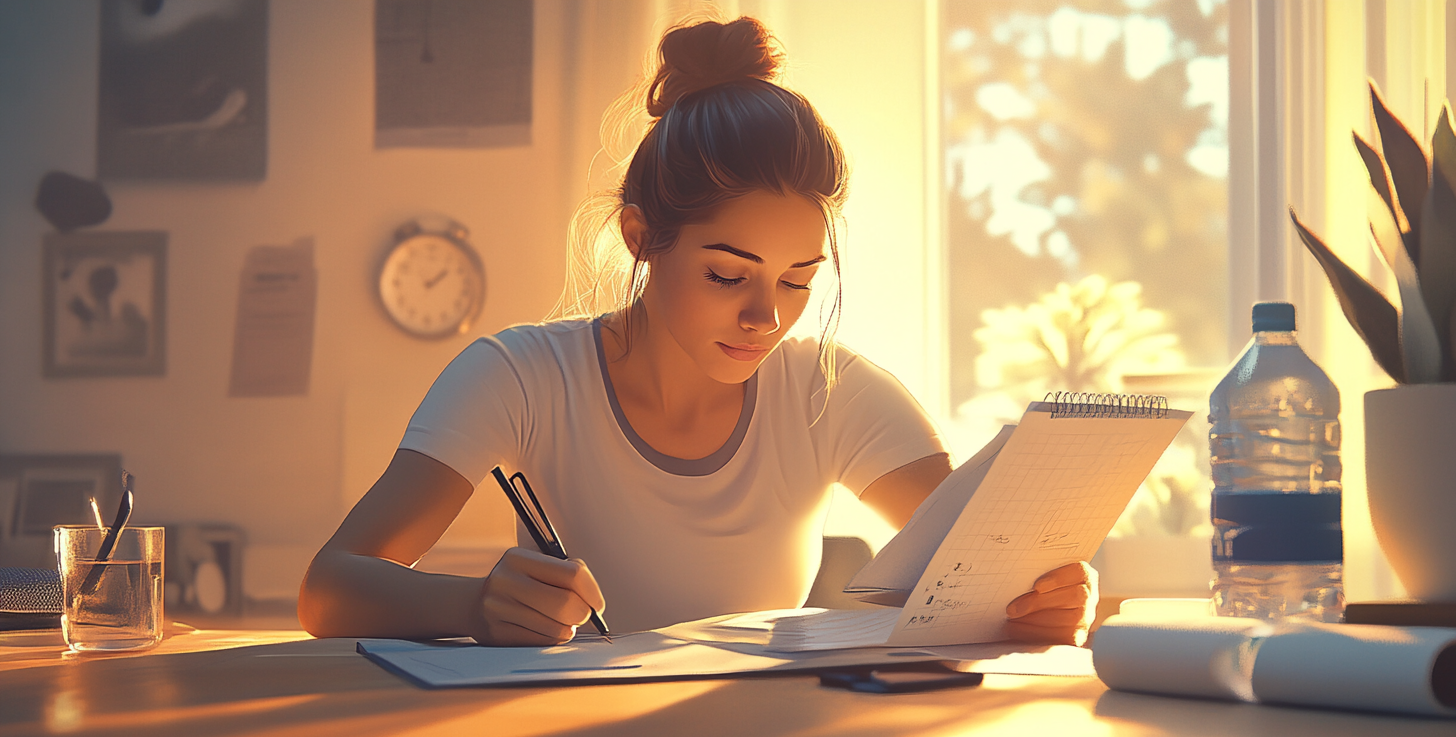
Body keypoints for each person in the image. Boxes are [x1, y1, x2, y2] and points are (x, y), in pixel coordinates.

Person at [298, 17, 1097, 647]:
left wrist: (1050, 598)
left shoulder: (834, 392)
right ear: (642, 237)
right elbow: (330, 589)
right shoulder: (519, 375)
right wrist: (473, 603)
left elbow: (987, 574)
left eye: (797, 282)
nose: (766, 318)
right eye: (727, 275)